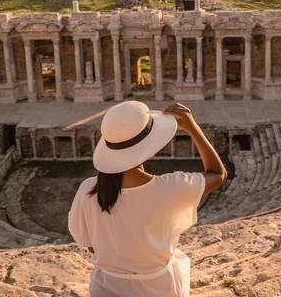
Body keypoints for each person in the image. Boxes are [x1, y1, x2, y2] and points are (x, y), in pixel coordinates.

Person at [68, 101, 227, 297]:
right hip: (160, 289)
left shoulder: (88, 190)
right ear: (149, 145)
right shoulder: (170, 188)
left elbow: (88, 243)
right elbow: (218, 174)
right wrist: (192, 128)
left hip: (107, 287)